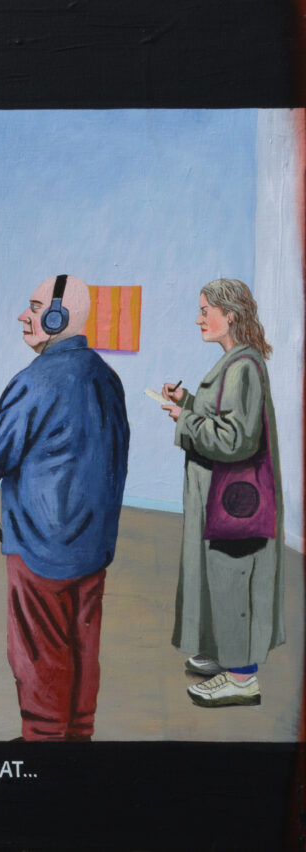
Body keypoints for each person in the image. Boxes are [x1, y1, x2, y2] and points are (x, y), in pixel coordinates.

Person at [0, 275, 129, 741]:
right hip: (93, 547)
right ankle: (77, 738)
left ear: (58, 317)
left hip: (42, 548)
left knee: (39, 654)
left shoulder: (37, 379)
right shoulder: (106, 376)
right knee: (82, 647)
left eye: (36, 308)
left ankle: (43, 745)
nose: (24, 316)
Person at [160, 278, 283, 707]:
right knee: (219, 576)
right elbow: (226, 418)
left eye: (204, 310)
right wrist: (189, 402)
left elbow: (235, 440)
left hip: (233, 501)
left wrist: (183, 418)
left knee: (233, 578)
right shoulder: (236, 362)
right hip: (222, 497)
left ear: (229, 315)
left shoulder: (242, 366)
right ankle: (225, 656)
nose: (198, 319)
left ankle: (242, 677)